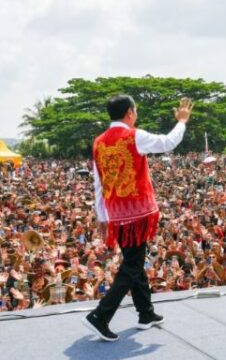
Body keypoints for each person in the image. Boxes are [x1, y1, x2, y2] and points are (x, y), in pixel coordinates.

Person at [82, 95, 193, 341]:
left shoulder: (98, 141)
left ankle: (146, 313)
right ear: (130, 113)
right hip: (137, 214)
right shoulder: (134, 135)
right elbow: (167, 142)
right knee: (132, 266)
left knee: (135, 262)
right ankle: (100, 315)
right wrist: (182, 121)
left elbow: (98, 181)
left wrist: (102, 215)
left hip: (116, 214)